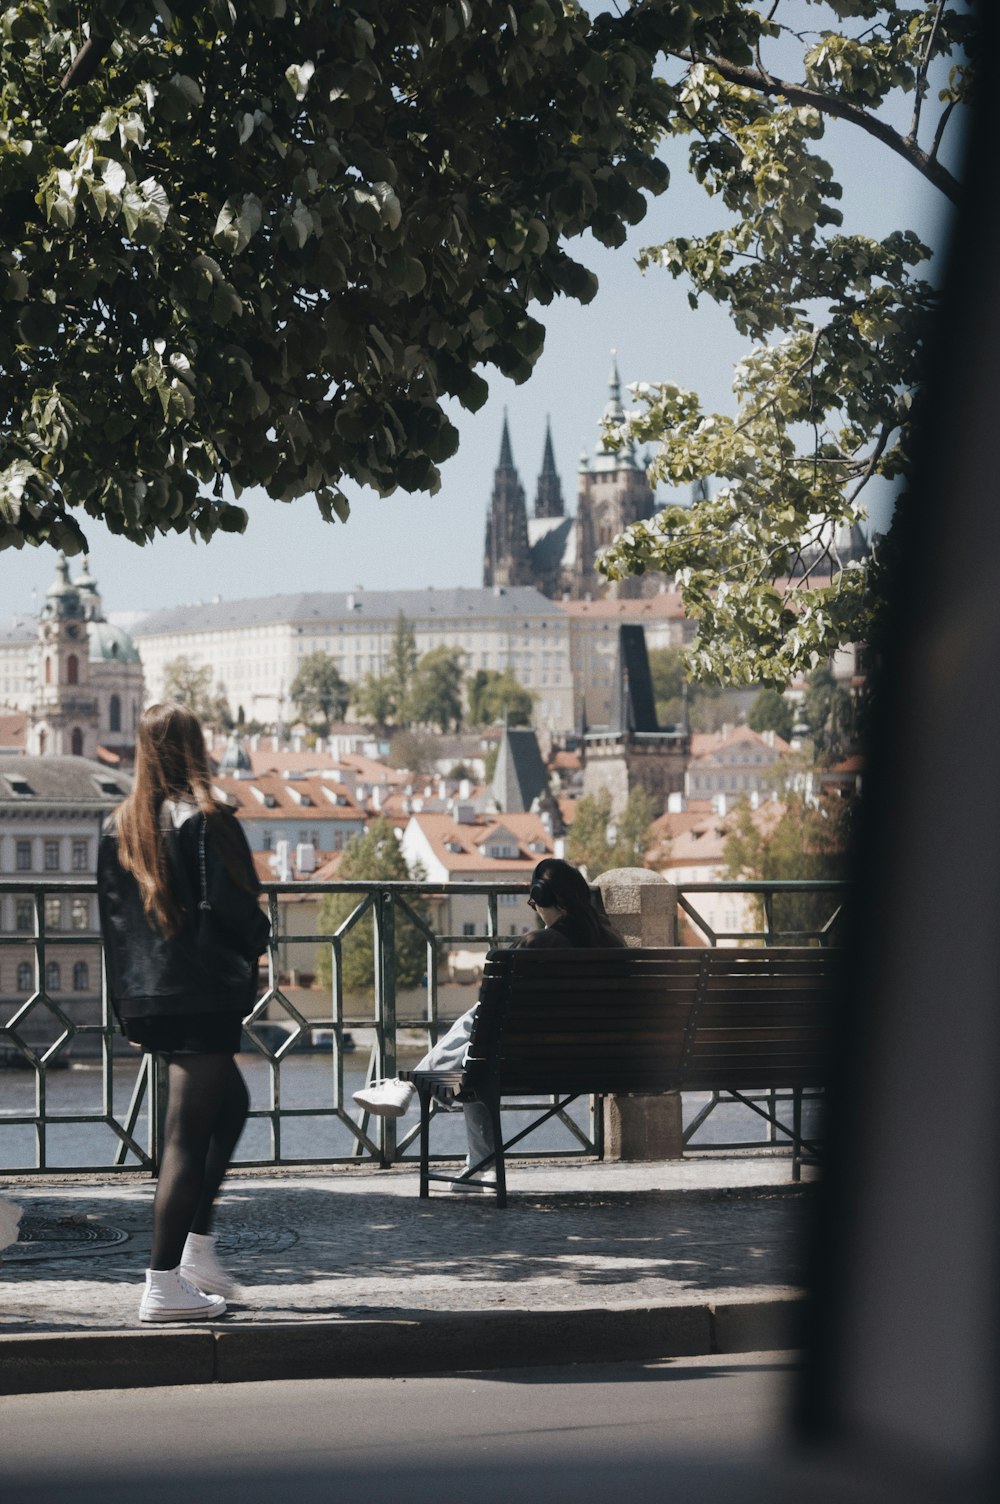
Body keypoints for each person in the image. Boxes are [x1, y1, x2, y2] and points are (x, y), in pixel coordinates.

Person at [97, 703, 270, 1322]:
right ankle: (162, 1284)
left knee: (232, 1106)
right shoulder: (207, 819)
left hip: (151, 997)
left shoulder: (118, 824)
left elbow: (112, 927)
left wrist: (130, 1005)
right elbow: (239, 911)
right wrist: (259, 936)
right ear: (196, 748)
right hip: (202, 994)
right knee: (185, 1137)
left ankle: (196, 1253)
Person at [353, 858, 624, 1188]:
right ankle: (480, 1166)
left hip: (518, 1066)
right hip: (607, 1065)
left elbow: (490, 1013)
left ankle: (411, 1085)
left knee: (479, 1043)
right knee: (478, 1049)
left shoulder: (536, 945)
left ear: (542, 897)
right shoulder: (615, 945)